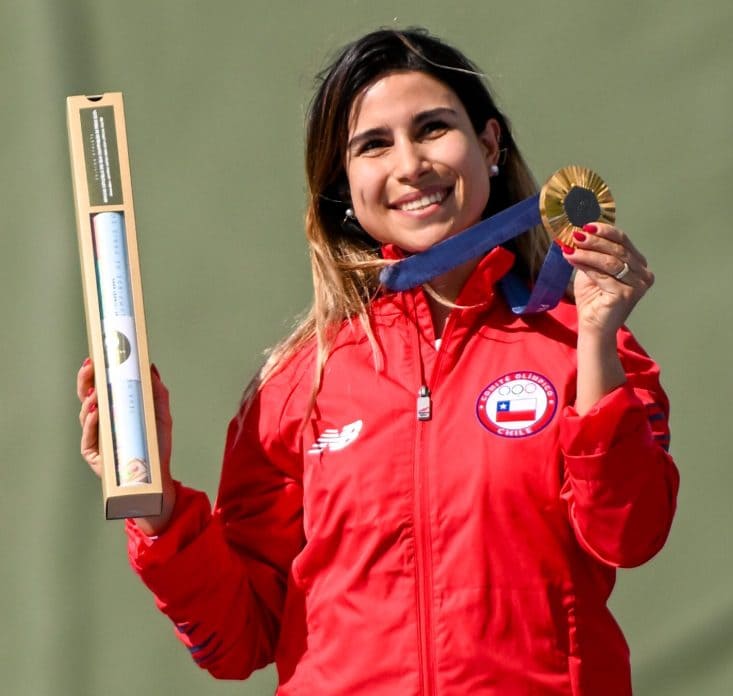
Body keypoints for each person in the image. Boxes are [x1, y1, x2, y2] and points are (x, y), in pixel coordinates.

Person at [77, 27, 678, 696]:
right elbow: (240, 637)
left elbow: (630, 535)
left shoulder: (583, 347)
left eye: (432, 129)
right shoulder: (296, 387)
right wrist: (159, 512)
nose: (409, 163)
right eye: (373, 145)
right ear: (344, 184)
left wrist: (594, 340)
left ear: (488, 143)